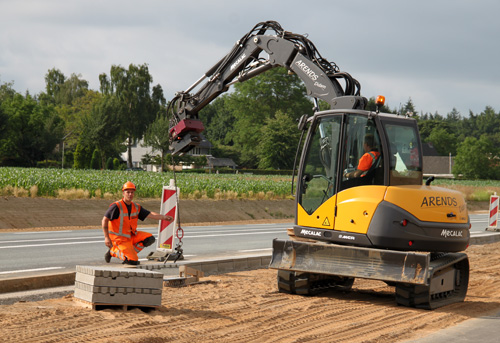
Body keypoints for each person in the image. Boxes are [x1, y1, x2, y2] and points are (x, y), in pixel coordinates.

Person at [102, 181, 173, 265]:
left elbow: (150, 214)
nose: (130, 194)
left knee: (149, 238)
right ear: (123, 193)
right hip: (119, 239)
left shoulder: (136, 207)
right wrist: (106, 237)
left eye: (132, 192)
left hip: (131, 236)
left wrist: (164, 217)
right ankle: (112, 251)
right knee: (132, 261)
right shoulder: (116, 206)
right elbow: (104, 220)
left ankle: (129, 254)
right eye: (127, 192)